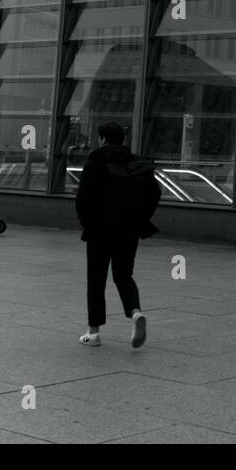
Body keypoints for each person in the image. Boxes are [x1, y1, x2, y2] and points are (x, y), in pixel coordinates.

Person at [75, 122, 160, 348]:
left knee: (96, 280)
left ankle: (93, 333)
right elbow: (154, 193)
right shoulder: (135, 163)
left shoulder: (95, 161)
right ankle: (135, 312)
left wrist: (87, 223)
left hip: (99, 230)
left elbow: (83, 198)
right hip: (128, 229)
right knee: (124, 275)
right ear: (123, 139)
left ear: (102, 138)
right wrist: (141, 218)